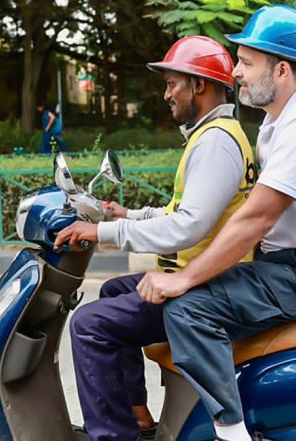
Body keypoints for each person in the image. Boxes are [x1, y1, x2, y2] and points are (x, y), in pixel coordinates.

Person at [134, 6, 296, 441]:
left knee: (188, 308)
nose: (235, 72)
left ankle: (231, 430)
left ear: (280, 70)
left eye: (245, 62)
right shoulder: (278, 121)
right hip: (287, 266)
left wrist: (183, 279)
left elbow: (257, 217)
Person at [53, 36, 257, 441]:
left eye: (172, 84)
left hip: (206, 286)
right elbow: (183, 212)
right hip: (202, 275)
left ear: (198, 85)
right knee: (112, 292)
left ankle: (113, 435)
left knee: (88, 325)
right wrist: (128, 215)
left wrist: (102, 232)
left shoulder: (216, 140)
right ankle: (138, 413)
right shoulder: (213, 134)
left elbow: (188, 227)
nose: (166, 95)